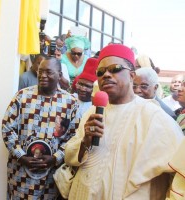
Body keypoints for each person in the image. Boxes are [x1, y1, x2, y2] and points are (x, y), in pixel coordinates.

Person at [65, 44, 184, 199]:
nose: (106, 75)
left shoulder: (154, 117)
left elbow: (178, 170)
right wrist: (84, 143)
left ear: (132, 75)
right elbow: (70, 155)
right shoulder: (92, 112)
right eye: (100, 72)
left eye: (115, 68)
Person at [2, 57, 79, 199]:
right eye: (40, 71)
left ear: (60, 75)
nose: (43, 75)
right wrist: (21, 156)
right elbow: (7, 128)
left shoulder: (70, 103)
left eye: (49, 72)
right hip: (21, 173)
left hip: (51, 175)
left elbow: (74, 137)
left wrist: (55, 158)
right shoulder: (22, 96)